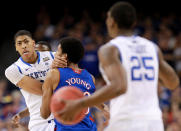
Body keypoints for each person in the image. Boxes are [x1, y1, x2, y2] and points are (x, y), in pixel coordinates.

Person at [57, 2, 180, 131]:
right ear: (133, 23)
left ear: (111, 22)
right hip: (153, 121)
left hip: (126, 120)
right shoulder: (152, 47)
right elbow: (173, 82)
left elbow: (119, 86)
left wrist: (79, 103)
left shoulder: (110, 49)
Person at [40, 37, 109, 131]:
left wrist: (47, 84)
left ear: (64, 56)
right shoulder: (90, 77)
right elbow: (91, 99)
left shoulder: (54, 74)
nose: (55, 54)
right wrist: (104, 108)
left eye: (58, 51)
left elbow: (44, 114)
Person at [5, 30, 67, 131]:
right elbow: (43, 92)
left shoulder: (54, 56)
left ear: (33, 43)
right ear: (16, 47)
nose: (24, 46)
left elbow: (74, 81)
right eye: (19, 43)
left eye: (26, 42)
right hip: (41, 123)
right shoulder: (13, 70)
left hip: (63, 116)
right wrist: (54, 70)